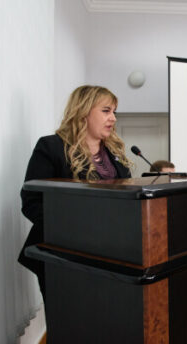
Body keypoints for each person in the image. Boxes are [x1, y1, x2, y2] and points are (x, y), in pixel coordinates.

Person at [17, 85, 132, 300]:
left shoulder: (115, 153)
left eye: (114, 112)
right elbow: (32, 202)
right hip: (64, 255)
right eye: (106, 111)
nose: (113, 118)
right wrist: (74, 231)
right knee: (69, 315)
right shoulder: (51, 147)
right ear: (83, 111)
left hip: (111, 253)